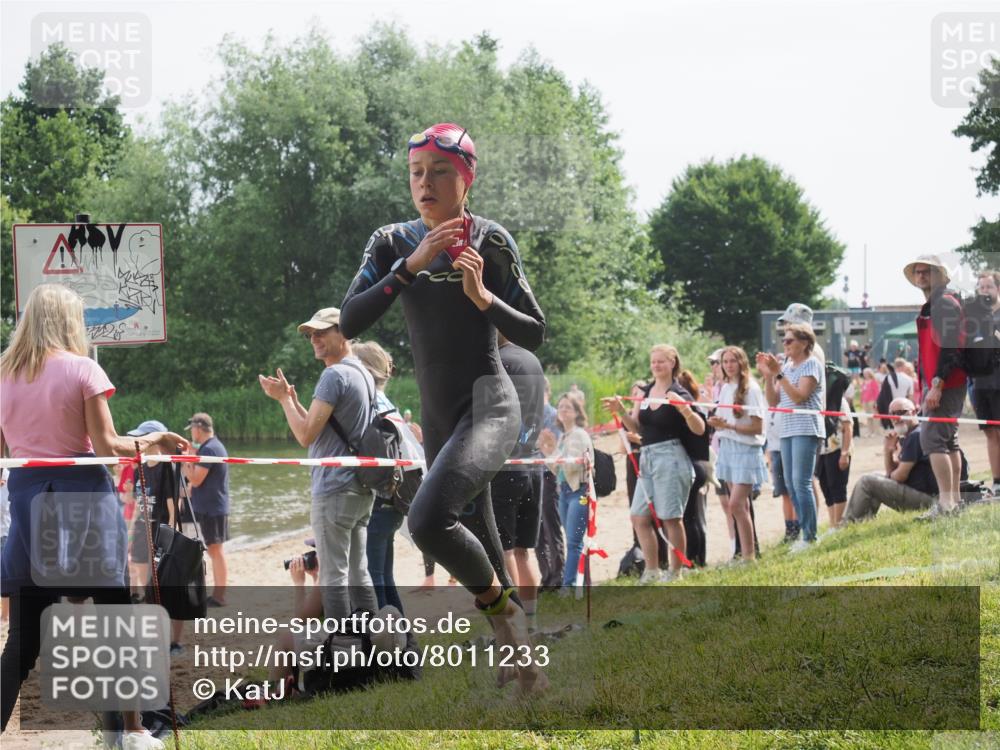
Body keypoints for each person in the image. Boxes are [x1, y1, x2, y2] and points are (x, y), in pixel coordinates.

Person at [339, 123, 546, 695]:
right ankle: (523, 667)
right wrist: (410, 266)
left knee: (428, 521)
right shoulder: (390, 242)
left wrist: (484, 298)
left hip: (490, 405)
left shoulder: (492, 239)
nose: (424, 184)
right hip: (436, 416)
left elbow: (535, 330)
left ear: (467, 179)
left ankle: (507, 619)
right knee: (478, 529)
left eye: (440, 172)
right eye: (416, 173)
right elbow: (349, 320)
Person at [0, 283, 188, 748]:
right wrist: (157, 439)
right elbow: (106, 448)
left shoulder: (4, 374)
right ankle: (132, 732)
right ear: (69, 322)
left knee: (22, 640)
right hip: (81, 503)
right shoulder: (83, 369)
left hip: (26, 502)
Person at [258, 307, 379, 624]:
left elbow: (305, 435)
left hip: (334, 489)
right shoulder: (362, 373)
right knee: (359, 572)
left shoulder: (334, 375)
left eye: (322, 331)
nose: (315, 338)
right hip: (361, 488)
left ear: (344, 333)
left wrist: (283, 400)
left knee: (333, 577)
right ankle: (375, 643)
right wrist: (293, 400)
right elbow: (327, 428)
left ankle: (343, 651)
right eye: (311, 334)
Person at [603, 345, 706, 583]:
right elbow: (637, 428)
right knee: (639, 517)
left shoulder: (678, 393)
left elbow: (700, 429)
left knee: (671, 518)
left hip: (672, 457)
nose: (656, 365)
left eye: (661, 361)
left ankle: (675, 571)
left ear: (672, 363)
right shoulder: (646, 392)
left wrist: (686, 411)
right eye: (653, 362)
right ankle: (651, 570)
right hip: (647, 458)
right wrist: (620, 411)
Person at [353, 340, 423, 616]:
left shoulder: (370, 405)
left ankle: (388, 644)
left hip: (380, 502)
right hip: (395, 502)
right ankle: (402, 641)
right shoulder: (387, 405)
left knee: (374, 577)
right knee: (384, 575)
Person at [489, 334, 545, 631]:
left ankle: (519, 622)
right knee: (525, 550)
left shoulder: (498, 362)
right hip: (533, 461)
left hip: (506, 465)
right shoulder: (531, 359)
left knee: (506, 550)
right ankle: (532, 620)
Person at [904, 254, 967, 517]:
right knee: (948, 441)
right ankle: (953, 501)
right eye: (917, 272)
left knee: (932, 440)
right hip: (947, 382)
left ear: (938, 275)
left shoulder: (943, 303)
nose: (920, 276)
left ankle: (946, 504)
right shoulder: (938, 302)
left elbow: (951, 347)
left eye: (926, 272)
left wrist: (938, 384)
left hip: (946, 383)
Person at [757, 323, 826, 552]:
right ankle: (804, 532)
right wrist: (769, 377)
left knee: (801, 483)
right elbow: (774, 401)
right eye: (783, 340)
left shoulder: (811, 364)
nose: (784, 344)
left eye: (789, 340)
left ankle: (810, 536)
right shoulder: (786, 366)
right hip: (787, 429)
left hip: (806, 428)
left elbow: (799, 397)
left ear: (805, 343)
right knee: (790, 485)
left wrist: (779, 373)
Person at [844, 398, 967, 522]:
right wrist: (888, 451)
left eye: (901, 412)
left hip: (931, 500)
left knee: (867, 481)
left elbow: (899, 476)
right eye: (892, 414)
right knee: (874, 476)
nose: (896, 417)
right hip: (928, 495)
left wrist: (889, 475)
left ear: (914, 412)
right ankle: (861, 521)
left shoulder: (916, 435)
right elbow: (892, 473)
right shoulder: (912, 434)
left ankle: (848, 523)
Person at [125, 419, 187, 654]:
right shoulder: (137, 466)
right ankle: (155, 636)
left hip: (161, 533)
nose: (138, 441)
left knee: (168, 588)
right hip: (142, 531)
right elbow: (138, 505)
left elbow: (174, 511)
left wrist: (170, 541)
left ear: (156, 439)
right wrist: (130, 535)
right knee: (146, 588)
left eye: (143, 437)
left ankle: (175, 641)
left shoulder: (167, 467)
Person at [706, 347, 768, 562]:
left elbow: (758, 427)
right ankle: (744, 554)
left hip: (746, 449)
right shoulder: (725, 388)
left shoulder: (751, 388)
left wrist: (729, 426)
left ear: (741, 362)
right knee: (741, 506)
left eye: (733, 361)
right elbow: (724, 421)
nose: (729, 365)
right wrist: (716, 423)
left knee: (735, 504)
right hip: (728, 448)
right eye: (725, 361)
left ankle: (749, 555)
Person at [537, 395, 593, 591]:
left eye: (568, 407)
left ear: (577, 412)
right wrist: (547, 450)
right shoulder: (564, 436)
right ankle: (579, 584)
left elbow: (571, 467)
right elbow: (557, 469)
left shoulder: (579, 435)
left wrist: (552, 450)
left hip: (579, 492)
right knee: (573, 540)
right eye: (561, 407)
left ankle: (568, 586)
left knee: (574, 541)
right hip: (565, 492)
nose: (563, 410)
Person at [180, 413, 230, 607]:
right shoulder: (211, 447)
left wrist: (185, 461)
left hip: (212, 508)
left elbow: (195, 480)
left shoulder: (210, 449)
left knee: (215, 550)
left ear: (198, 428)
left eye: (192, 429)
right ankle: (218, 594)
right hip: (212, 506)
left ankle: (219, 595)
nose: (192, 433)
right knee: (214, 550)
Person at [969, 270, 1000, 496]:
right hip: (981, 385)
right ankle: (997, 482)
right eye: (981, 288)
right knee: (990, 433)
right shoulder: (973, 319)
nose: (985, 291)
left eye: (989, 286)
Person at [535, 377, 566, 591]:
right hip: (532, 475)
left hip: (549, 475)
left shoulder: (552, 416)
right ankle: (545, 576)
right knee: (536, 530)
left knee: (550, 525)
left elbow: (553, 448)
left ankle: (558, 574)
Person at [677, 370, 710, 567]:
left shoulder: (688, 412)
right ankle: (697, 559)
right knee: (694, 516)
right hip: (699, 464)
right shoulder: (697, 409)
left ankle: (694, 559)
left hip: (693, 464)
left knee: (689, 517)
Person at [815, 394, 853, 527]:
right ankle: (833, 524)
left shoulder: (839, 401)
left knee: (837, 487)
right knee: (826, 488)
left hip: (837, 449)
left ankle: (839, 524)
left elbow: (848, 428)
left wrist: (844, 453)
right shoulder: (815, 400)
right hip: (821, 452)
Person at [859, 368, 880, 437]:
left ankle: (876, 431)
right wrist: (861, 400)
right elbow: (862, 392)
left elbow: (876, 392)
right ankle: (870, 431)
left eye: (866, 373)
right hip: (865, 401)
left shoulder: (873, 382)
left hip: (872, 401)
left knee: (874, 416)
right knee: (868, 417)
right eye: (864, 373)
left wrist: (876, 401)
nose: (865, 375)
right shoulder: (864, 382)